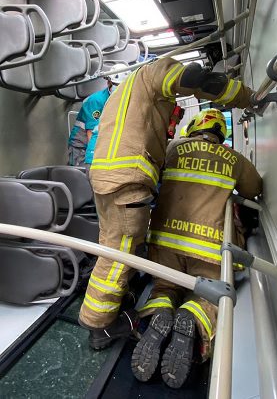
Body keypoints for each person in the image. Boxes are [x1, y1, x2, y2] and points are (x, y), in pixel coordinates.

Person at [79, 56, 257, 350]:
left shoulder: (125, 90)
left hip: (104, 175)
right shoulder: (154, 73)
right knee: (119, 254)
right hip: (128, 179)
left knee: (112, 244)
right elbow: (195, 79)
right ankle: (101, 325)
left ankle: (118, 304)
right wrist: (245, 97)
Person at [130, 109, 262, 388]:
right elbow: (254, 188)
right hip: (209, 250)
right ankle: (192, 315)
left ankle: (159, 311)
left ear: (192, 127)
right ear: (220, 133)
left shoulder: (172, 148)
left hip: (165, 245)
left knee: (164, 288)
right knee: (208, 297)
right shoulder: (234, 158)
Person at [67, 69, 130, 166]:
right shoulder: (96, 101)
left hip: (102, 144)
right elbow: (91, 134)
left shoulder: (123, 100)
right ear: (109, 82)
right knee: (84, 176)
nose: (119, 88)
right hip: (81, 147)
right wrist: (94, 158)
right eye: (116, 85)